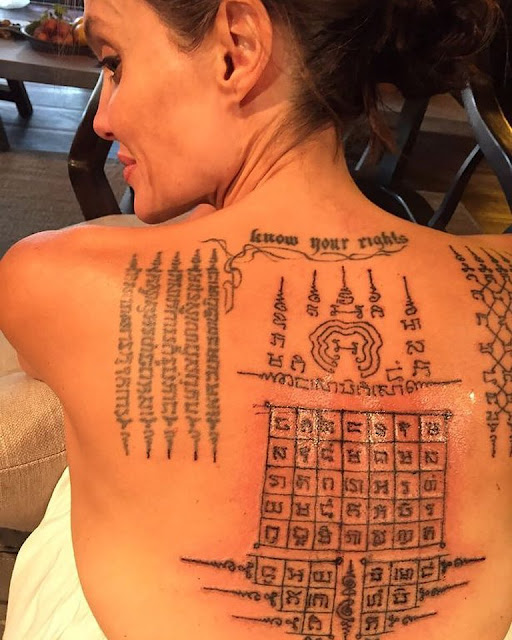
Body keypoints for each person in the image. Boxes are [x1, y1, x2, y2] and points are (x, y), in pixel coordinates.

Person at [1, 0, 511, 638]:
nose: (102, 118)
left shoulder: (52, 277)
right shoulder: (499, 283)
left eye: (115, 62)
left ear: (236, 49)